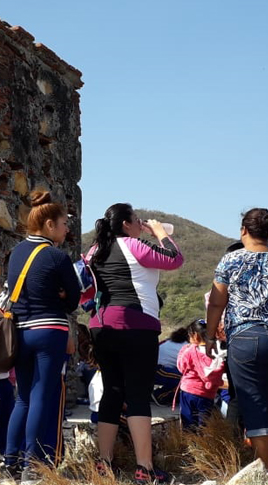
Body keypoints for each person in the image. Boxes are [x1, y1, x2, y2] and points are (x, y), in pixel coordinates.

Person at [86, 203, 183, 484]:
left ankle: (103, 463)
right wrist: (159, 233)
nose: (141, 224)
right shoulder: (133, 245)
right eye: (137, 220)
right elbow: (174, 259)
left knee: (113, 392)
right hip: (135, 325)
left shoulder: (94, 250)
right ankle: (145, 468)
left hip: (100, 326)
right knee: (138, 394)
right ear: (127, 224)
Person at [205, 208, 268, 471]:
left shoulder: (231, 261)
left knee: (255, 404)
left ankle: (265, 468)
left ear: (243, 230)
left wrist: (209, 336)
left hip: (245, 338)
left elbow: (216, 303)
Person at [4, 192, 81, 484]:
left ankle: (11, 460)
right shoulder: (57, 256)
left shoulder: (16, 254)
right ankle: (32, 465)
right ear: (49, 225)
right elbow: (73, 298)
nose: (66, 230)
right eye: (63, 224)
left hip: (21, 331)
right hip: (50, 331)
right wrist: (61, 295)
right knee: (41, 396)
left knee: (22, 397)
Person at [177, 319, 226, 431]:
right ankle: (204, 444)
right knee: (204, 423)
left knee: (188, 422)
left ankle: (190, 444)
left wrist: (183, 351)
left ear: (194, 336)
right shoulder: (216, 351)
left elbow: (181, 367)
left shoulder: (190, 350)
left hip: (188, 392)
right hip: (207, 394)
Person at [154, 327, 188, 406]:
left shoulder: (170, 341)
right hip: (157, 369)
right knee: (185, 378)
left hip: (152, 367)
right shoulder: (187, 346)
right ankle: (159, 395)